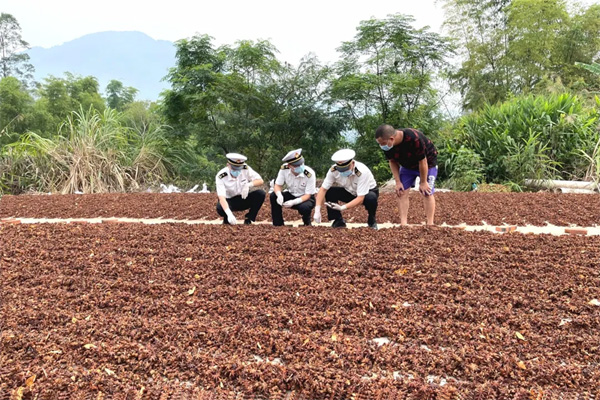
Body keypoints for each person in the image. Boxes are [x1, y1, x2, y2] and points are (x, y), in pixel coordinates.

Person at [374, 124, 438, 225]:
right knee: (401, 191)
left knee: (427, 191)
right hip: (407, 166)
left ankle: (430, 223)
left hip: (427, 164)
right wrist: (398, 182)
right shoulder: (388, 146)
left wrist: (423, 182)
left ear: (391, 138)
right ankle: (403, 224)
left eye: (383, 143)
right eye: (380, 144)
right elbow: (392, 161)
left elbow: (423, 161)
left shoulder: (414, 138)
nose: (382, 146)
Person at [314, 149, 378, 229]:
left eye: (345, 169)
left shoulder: (362, 171)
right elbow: (323, 189)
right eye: (341, 169)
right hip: (349, 191)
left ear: (352, 163)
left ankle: (372, 221)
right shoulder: (333, 170)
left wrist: (342, 207)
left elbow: (361, 198)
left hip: (367, 192)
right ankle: (338, 220)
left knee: (371, 197)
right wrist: (317, 210)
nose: (343, 172)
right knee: (330, 191)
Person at [215, 153, 265, 225]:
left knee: (260, 194)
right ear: (228, 165)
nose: (237, 171)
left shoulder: (245, 168)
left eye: (239, 168)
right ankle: (227, 218)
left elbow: (260, 181)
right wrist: (229, 214)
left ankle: (249, 218)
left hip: (243, 198)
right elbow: (221, 197)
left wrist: (249, 185)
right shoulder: (221, 176)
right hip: (229, 201)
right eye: (234, 168)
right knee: (220, 208)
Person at [270, 149, 316, 226]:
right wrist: (279, 195)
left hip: (305, 197)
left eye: (301, 164)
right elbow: (277, 185)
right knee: (273, 196)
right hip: (291, 194)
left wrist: (294, 202)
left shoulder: (309, 174)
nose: (300, 166)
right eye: (296, 165)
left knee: (304, 208)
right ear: (289, 166)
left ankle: (307, 221)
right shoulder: (284, 169)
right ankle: (278, 224)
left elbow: (308, 195)